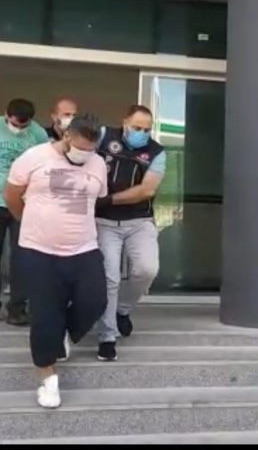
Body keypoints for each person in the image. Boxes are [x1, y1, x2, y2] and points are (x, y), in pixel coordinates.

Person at [3, 112, 109, 409]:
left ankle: (61, 332)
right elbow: (11, 195)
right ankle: (47, 379)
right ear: (66, 135)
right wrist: (29, 221)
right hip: (39, 250)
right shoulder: (34, 157)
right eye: (80, 148)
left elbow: (96, 198)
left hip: (83, 248)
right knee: (45, 315)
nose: (85, 155)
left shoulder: (98, 164)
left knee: (95, 302)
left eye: (91, 150)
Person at [94, 105, 166, 362]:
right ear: (124, 122)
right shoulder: (104, 136)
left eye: (147, 129)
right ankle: (107, 337)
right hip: (103, 222)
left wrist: (108, 199)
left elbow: (146, 190)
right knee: (109, 278)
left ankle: (122, 310)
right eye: (137, 128)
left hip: (139, 221)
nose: (142, 133)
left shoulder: (157, 152)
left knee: (147, 270)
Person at [0, 98, 49, 326]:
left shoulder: (38, 134)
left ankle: (17, 308)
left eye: (23, 125)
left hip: (23, 202)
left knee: (21, 255)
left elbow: (43, 163)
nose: (19, 128)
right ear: (7, 115)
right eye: (15, 124)